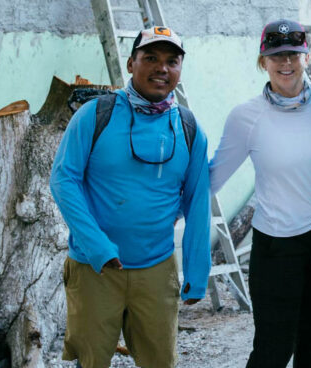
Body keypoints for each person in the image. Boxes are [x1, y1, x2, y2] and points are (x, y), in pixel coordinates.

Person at [50, 26, 211, 368]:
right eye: (150, 57)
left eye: (172, 60)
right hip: (94, 268)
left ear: (180, 69)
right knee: (91, 361)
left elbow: (197, 200)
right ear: (130, 63)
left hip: (156, 266)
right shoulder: (95, 115)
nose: (162, 68)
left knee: (159, 361)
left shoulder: (188, 127)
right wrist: (97, 246)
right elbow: (64, 180)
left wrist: (198, 269)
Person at [209, 19, 311, 368]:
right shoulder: (246, 117)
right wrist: (158, 214)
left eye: (293, 53)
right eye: (276, 55)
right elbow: (211, 178)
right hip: (275, 248)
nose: (286, 62)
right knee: (272, 351)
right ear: (263, 61)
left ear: (306, 57)